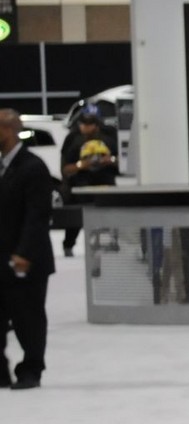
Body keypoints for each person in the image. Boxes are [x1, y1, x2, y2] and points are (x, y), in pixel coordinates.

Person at [0, 108, 55, 389]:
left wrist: (23, 253)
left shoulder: (32, 167)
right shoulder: (4, 167)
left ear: (8, 131)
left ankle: (31, 370)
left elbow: (37, 216)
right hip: (2, 259)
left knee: (28, 318)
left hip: (26, 260)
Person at [58, 104, 117, 259]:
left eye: (90, 123)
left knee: (106, 220)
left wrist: (109, 160)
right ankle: (68, 246)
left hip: (105, 187)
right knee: (76, 219)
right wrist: (81, 165)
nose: (86, 127)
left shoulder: (110, 136)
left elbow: (124, 161)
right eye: (83, 123)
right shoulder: (73, 139)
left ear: (97, 123)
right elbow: (65, 168)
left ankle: (108, 244)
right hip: (80, 188)